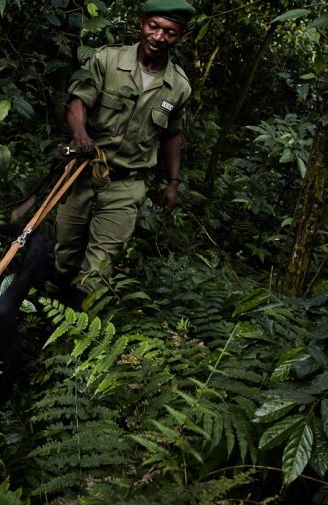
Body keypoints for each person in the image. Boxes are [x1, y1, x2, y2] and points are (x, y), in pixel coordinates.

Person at [54, 0, 194, 309]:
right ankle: (47, 311)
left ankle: (75, 330)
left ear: (180, 37)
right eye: (153, 26)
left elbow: (172, 133)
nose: (158, 37)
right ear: (142, 22)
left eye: (169, 32)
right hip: (84, 173)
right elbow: (78, 102)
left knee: (99, 267)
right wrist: (81, 135)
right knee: (65, 251)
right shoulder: (107, 60)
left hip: (127, 184)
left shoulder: (178, 87)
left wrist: (173, 182)